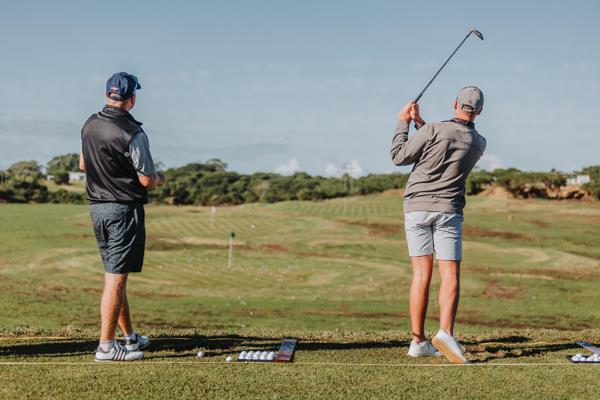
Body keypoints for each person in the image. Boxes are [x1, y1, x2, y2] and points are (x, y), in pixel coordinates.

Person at [390, 87, 486, 364]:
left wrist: (403, 123)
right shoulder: (479, 142)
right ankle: (445, 333)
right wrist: (421, 124)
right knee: (450, 273)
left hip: (417, 208)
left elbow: (399, 156)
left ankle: (418, 341)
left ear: (455, 103)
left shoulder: (432, 129)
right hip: (448, 211)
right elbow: (449, 142)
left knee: (422, 274)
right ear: (479, 111)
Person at [80, 72, 166, 361]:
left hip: (97, 209)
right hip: (123, 210)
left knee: (116, 274)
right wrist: (161, 178)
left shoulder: (89, 124)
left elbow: (83, 164)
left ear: (108, 95)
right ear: (132, 99)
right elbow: (146, 179)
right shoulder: (133, 132)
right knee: (115, 279)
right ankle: (106, 347)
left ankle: (129, 338)